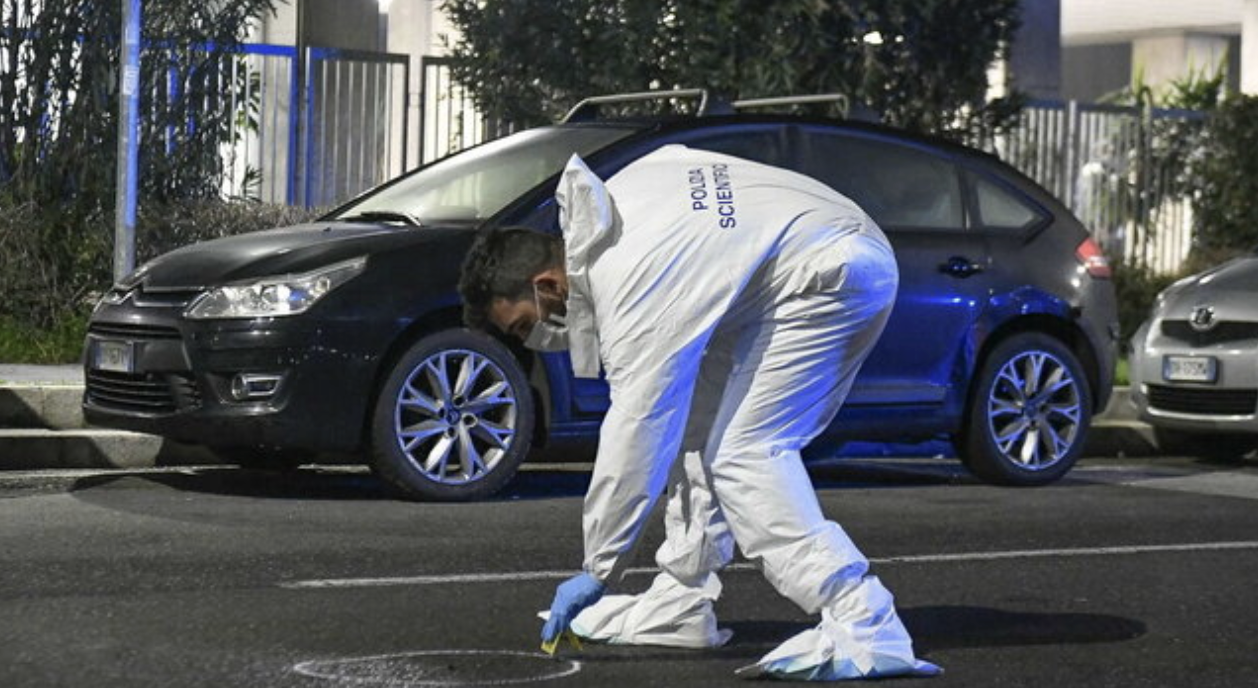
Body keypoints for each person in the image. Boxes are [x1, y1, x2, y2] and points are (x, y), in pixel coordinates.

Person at [458, 144, 940, 681]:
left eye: (526, 324)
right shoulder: (619, 200)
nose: (538, 338)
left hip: (828, 275)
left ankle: (863, 619)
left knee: (745, 454)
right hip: (798, 265)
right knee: (697, 433)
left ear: (547, 285)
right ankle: (681, 602)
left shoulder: (630, 278)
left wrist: (599, 567)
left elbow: (637, 432)